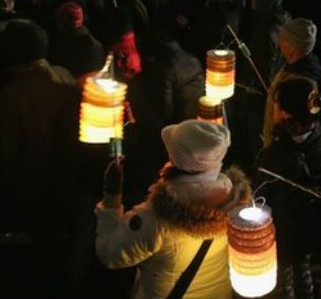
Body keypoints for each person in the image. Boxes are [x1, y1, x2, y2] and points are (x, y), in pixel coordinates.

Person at [95, 120, 252, 299]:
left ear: (177, 158)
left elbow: (110, 253)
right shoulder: (238, 203)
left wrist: (111, 199)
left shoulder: (156, 219)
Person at [255, 77, 321, 299]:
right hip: (316, 224)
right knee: (304, 271)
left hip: (285, 230)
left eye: (277, 105)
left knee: (285, 278)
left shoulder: (275, 157)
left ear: (286, 115)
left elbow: (261, 196)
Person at [262, 18, 321, 147]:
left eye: (283, 40)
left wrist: (273, 147)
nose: (279, 43)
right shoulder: (294, 67)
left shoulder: (301, 84)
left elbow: (295, 126)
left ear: (292, 47)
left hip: (281, 148)